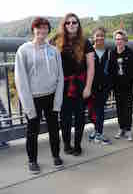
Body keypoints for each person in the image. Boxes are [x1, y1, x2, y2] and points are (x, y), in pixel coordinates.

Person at [15, 17, 64, 174]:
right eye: (38, 28)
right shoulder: (23, 50)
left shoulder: (54, 51)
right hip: (33, 97)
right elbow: (20, 79)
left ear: (48, 30)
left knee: (54, 129)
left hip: (51, 95)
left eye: (45, 28)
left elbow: (60, 77)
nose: (42, 31)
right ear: (33, 30)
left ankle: (56, 156)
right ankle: (32, 160)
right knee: (32, 131)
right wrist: (28, 105)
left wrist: (58, 100)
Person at [51, 13, 94, 156]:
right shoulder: (56, 41)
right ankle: (66, 144)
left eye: (74, 22)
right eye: (68, 23)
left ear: (78, 24)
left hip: (80, 85)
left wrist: (88, 87)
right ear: (64, 25)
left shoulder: (85, 42)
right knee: (65, 117)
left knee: (80, 116)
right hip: (62, 86)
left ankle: (77, 145)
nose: (71, 25)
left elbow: (91, 66)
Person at [109, 29, 133, 141]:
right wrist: (112, 85)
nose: (119, 41)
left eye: (121, 39)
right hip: (117, 88)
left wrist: (130, 81)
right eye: (117, 39)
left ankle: (128, 130)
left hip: (128, 87)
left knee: (127, 109)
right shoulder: (112, 53)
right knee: (119, 108)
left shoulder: (131, 53)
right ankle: (121, 128)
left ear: (125, 40)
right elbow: (110, 70)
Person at [87, 27, 112, 145]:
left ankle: (99, 132)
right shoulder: (89, 52)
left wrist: (110, 86)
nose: (99, 38)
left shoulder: (109, 53)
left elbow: (112, 70)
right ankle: (96, 130)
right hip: (91, 86)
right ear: (93, 37)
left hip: (104, 87)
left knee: (101, 110)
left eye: (102, 35)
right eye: (97, 35)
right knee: (92, 110)